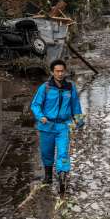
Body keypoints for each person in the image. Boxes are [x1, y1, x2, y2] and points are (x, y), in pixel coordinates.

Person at [31, 59, 83, 194]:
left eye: (62, 71)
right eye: (57, 71)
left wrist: (79, 122)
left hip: (63, 126)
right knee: (46, 152)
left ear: (65, 71)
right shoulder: (45, 87)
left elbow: (76, 106)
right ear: (52, 72)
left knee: (63, 152)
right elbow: (35, 105)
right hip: (46, 125)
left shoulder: (70, 87)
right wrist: (40, 116)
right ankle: (48, 176)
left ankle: (62, 176)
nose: (60, 74)